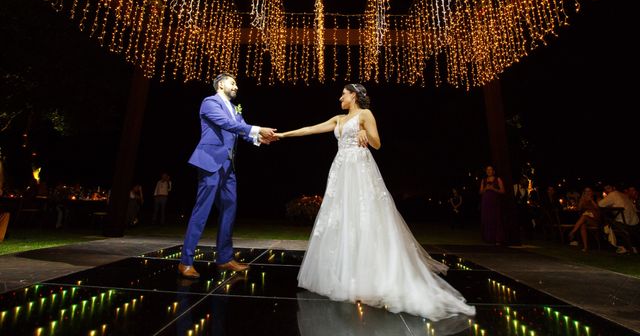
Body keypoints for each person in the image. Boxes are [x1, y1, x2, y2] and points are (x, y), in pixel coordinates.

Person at [275, 83, 475, 321]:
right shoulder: (338, 119)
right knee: (341, 219)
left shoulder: (365, 114)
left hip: (360, 168)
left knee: (365, 216)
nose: (340, 97)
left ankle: (372, 275)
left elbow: (378, 143)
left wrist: (365, 134)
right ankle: (346, 275)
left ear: (354, 96)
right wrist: (282, 135)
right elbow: (310, 129)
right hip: (341, 169)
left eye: (344, 94)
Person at [178, 73, 277, 279]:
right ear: (221, 84)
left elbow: (240, 131)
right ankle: (185, 261)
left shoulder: (234, 109)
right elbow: (227, 125)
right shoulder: (210, 102)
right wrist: (258, 128)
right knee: (202, 210)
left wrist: (259, 139)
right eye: (233, 83)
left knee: (230, 209)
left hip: (228, 166)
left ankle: (225, 258)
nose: (237, 87)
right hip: (210, 162)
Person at [479, 165, 505, 244]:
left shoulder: (498, 179)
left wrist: (493, 189)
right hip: (486, 202)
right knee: (486, 219)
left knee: (495, 218)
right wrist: (485, 188)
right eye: (487, 169)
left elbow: (503, 191)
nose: (488, 171)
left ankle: (497, 238)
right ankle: (488, 238)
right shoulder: (484, 180)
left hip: (494, 202)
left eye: (490, 169)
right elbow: (480, 192)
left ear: (493, 171)